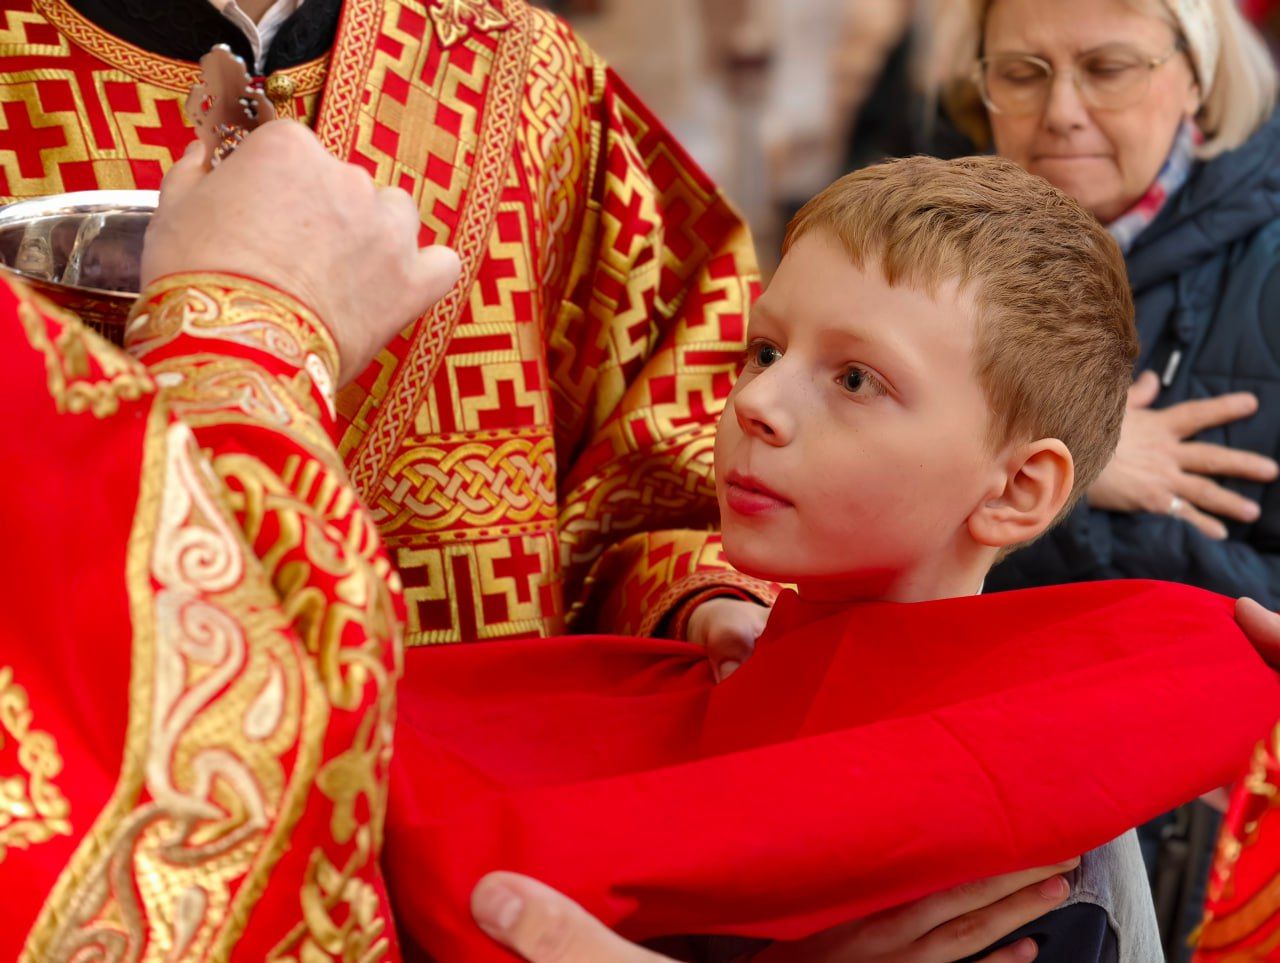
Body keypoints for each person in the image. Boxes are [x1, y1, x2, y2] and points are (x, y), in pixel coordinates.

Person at [381, 156, 1280, 963]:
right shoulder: (703, 684)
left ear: (1015, 489)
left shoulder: (1027, 851)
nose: (756, 401)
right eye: (765, 350)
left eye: (856, 379)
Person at [0, 0, 775, 651]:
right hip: (126, 742)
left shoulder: (526, 70)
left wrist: (702, 595)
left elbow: (671, 474)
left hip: (494, 765)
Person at [922, 0, 1280, 952]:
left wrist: (1045, 488)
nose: (1062, 112)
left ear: (1196, 76)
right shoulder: (915, 251)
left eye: (1109, 68)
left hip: (1209, 859)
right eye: (1021, 73)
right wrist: (1089, 462)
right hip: (973, 842)